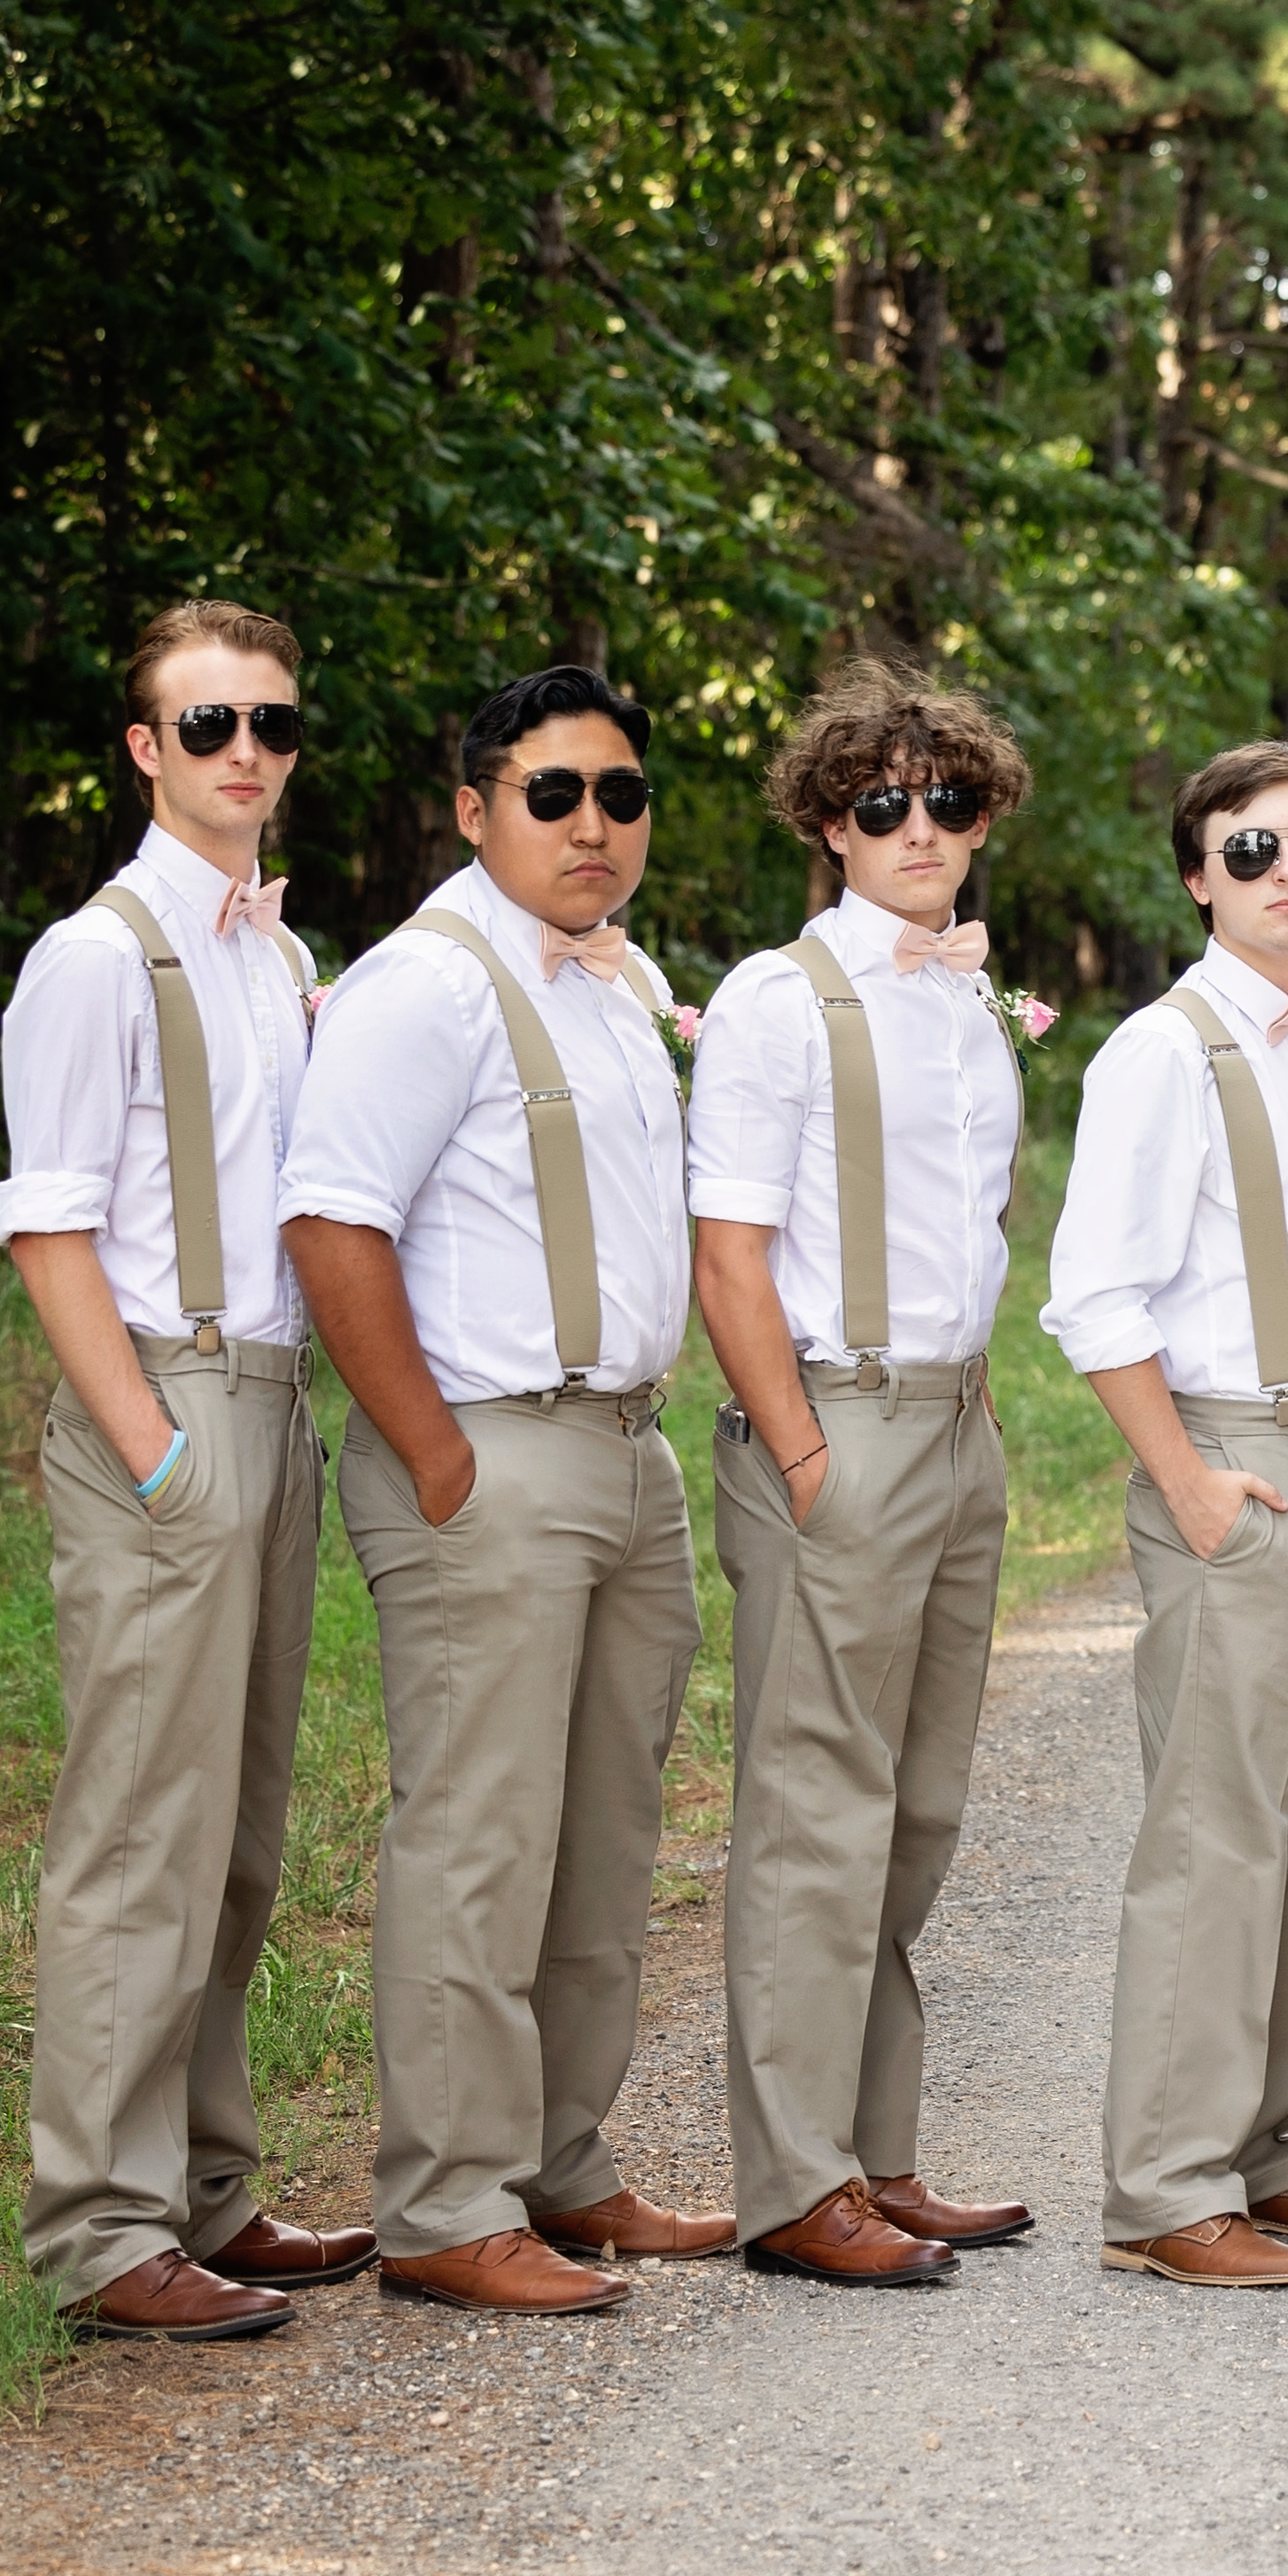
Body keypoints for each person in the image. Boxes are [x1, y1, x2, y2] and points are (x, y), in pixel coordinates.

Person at [280, 666, 728, 2315]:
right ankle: (445, 2205)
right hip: (486, 1453)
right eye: (553, 794)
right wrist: (439, 1452)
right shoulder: (425, 985)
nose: (593, 824)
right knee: (477, 1835)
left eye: (619, 794)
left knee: (606, 1834)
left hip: (624, 1452)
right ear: (474, 811)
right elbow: (333, 1224)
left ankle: (562, 2165)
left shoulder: (618, 986)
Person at [0, 599, 366, 2341]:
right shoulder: (100, 953)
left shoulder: (274, 956)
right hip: (167, 1400)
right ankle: (101, 2222)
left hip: (272, 1398)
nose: (244, 755)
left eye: (270, 726)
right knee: (142, 1823)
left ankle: (208, 2185)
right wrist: (154, 1456)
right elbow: (51, 1229)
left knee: (236, 1826)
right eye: (207, 725)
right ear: (145, 749)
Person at [688, 672, 1042, 2288]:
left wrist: (964, 1433)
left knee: (917, 1807)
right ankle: (792, 2183)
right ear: (831, 824)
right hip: (834, 1423)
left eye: (948, 801)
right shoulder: (779, 998)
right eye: (884, 804)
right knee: (817, 1813)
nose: (921, 831)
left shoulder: (967, 996)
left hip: (954, 1429)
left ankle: (878, 2154)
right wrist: (807, 1454)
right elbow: (732, 1250)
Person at [1056, 740, 1288, 2290]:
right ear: (1200, 872)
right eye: (1253, 849)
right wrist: (1191, 1482)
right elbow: (1095, 1296)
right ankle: (1165, 2182)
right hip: (1237, 1471)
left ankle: (1270, 2146)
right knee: (1216, 1836)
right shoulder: (1166, 1049)